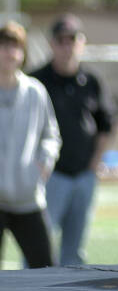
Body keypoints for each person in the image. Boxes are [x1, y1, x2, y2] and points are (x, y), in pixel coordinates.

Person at [29, 14, 114, 265]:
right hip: (48, 176)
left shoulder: (92, 81)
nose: (67, 46)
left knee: (74, 252)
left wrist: (94, 163)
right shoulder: (36, 81)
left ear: (82, 42)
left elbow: (106, 124)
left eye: (73, 39)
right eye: (61, 40)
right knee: (37, 247)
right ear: (52, 44)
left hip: (83, 176)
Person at [0, 21, 61, 269]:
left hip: (28, 198)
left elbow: (51, 134)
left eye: (16, 47)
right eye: (4, 46)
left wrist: (45, 159)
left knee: (45, 269)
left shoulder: (36, 92)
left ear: (23, 53)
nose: (10, 53)